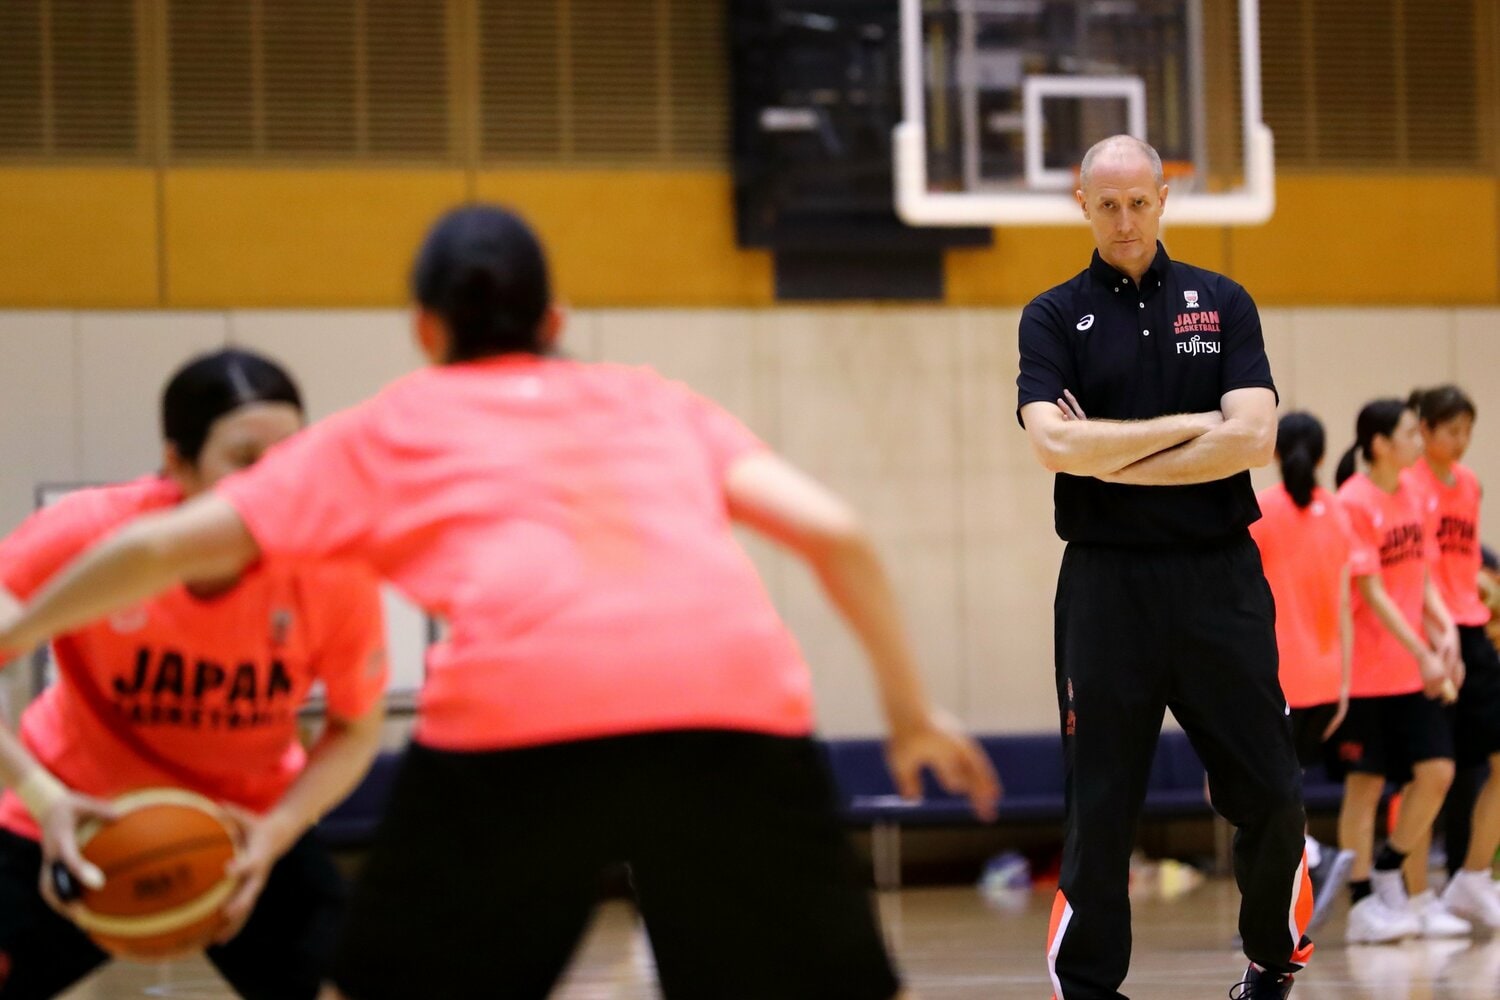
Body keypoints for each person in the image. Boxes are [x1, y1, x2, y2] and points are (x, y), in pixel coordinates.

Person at [0, 205, 1000, 1000]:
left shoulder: (391, 425)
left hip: (519, 717)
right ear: (555, 318)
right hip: (730, 709)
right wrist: (910, 708)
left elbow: (169, 542)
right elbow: (838, 535)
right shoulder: (653, 398)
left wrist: (22, 626)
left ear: (425, 329)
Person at [1017, 134, 1309, 1000]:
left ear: (1163, 197)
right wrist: (1190, 427)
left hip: (1220, 577)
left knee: (1269, 788)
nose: (1124, 218)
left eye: (1138, 201)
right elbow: (1051, 443)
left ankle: (1270, 961)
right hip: (1106, 586)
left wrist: (1108, 452)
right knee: (1099, 804)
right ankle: (1093, 988)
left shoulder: (1222, 303)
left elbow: (1253, 435)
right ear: (1082, 206)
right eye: (1106, 204)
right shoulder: (1050, 314)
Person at [0, 350, 388, 1000]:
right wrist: (43, 797)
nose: (275, 486)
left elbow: (355, 727)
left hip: (246, 828)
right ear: (177, 463)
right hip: (71, 818)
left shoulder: (332, 570)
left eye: (291, 460)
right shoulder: (91, 533)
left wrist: (279, 830)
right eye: (244, 461)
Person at [1330, 398, 1465, 943]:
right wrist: (1424, 649)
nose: (1418, 440)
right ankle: (1362, 901)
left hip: (1410, 671)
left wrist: (1445, 628)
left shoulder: (1412, 493)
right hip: (1366, 673)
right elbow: (1373, 592)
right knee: (1365, 786)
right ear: (1379, 443)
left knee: (1437, 772)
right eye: (1409, 433)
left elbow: (1423, 573)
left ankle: (1390, 865)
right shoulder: (1353, 502)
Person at [1247, 412, 1357, 933]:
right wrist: (1343, 684)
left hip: (1275, 678)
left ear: (1273, 452)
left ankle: (1311, 857)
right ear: (1319, 454)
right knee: (1277, 792)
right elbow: (1343, 603)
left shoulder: (1259, 512)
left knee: (1252, 792)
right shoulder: (1339, 513)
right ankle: (1287, 906)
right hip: (1326, 679)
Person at [1401, 385, 1500, 929]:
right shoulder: (1409, 485)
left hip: (1473, 631)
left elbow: (1464, 561)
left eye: (1469, 431)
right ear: (1427, 430)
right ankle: (1415, 897)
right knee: (1430, 772)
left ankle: (1473, 878)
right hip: (1427, 638)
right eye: (1452, 430)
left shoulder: (1468, 484)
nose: (1462, 442)